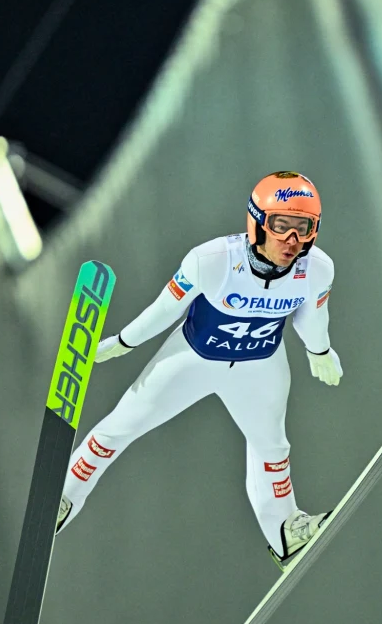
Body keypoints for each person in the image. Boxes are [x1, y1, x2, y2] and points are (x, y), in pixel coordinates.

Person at [56, 171, 343, 569]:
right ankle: (65, 496)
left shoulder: (317, 268)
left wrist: (320, 350)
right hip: (192, 360)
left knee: (273, 449)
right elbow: (164, 309)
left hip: (259, 367)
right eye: (281, 225)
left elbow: (313, 318)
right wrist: (123, 342)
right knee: (121, 425)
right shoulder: (213, 260)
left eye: (303, 227)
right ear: (257, 222)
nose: (292, 241)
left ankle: (285, 533)